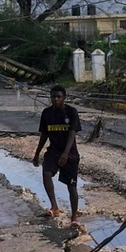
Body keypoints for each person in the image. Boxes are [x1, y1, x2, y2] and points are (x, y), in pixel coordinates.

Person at [32, 85, 82, 222]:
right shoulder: (47, 113)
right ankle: (54, 207)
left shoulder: (71, 112)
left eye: (59, 97)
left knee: (72, 186)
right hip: (53, 151)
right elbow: (44, 134)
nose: (56, 99)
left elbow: (72, 133)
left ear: (64, 98)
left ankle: (74, 216)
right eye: (53, 97)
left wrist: (65, 154)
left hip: (70, 153)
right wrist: (37, 154)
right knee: (46, 172)